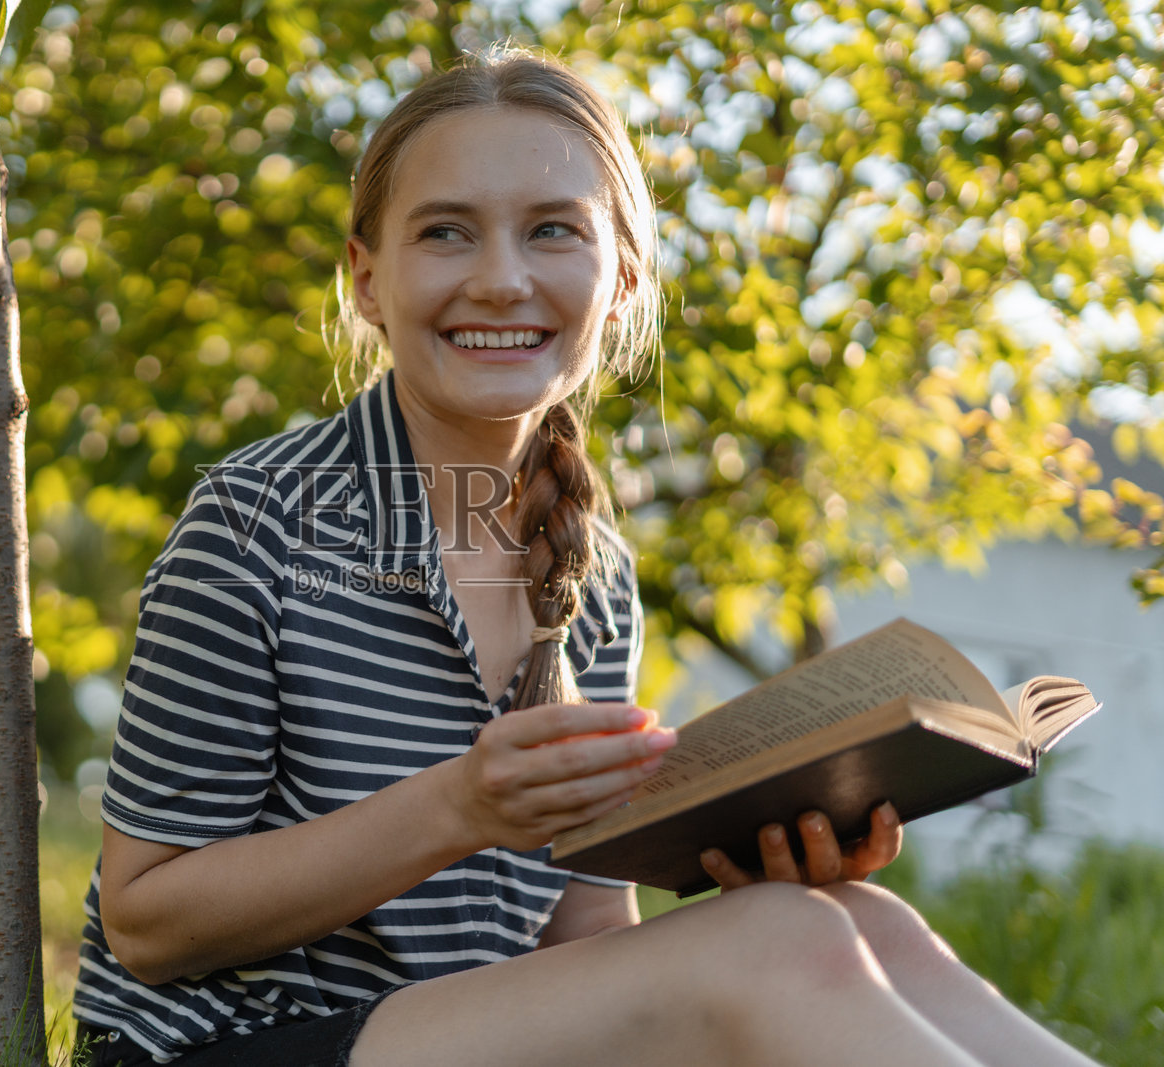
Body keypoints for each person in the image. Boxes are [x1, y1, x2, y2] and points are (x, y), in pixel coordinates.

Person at [71, 48, 1102, 1067]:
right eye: (445, 232)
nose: (500, 277)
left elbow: (585, 936)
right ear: (368, 280)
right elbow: (148, 920)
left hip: (452, 1034)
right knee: (786, 944)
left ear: (620, 283)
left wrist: (750, 883)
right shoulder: (255, 526)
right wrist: (455, 807)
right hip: (227, 1045)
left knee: (853, 920)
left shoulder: (590, 573)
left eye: (553, 231)